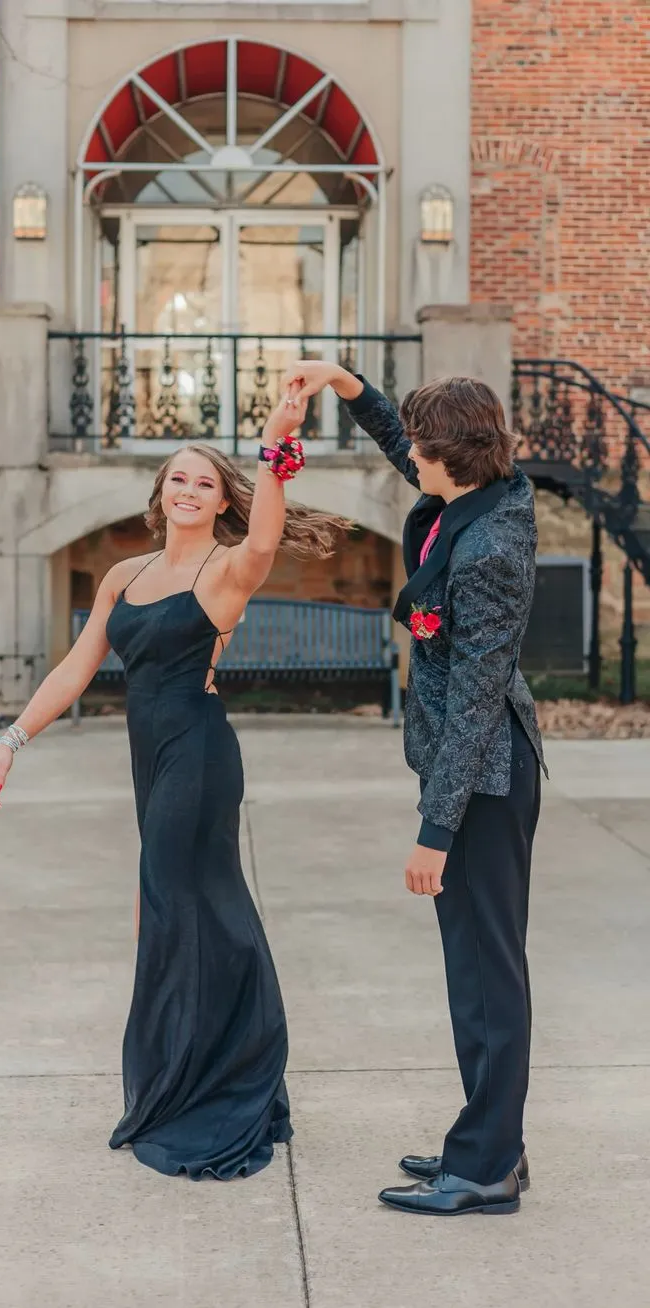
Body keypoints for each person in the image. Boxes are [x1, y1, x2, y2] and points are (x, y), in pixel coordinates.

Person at [0, 393, 346, 1181]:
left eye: (204, 483)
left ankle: (209, 1079)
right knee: (185, 905)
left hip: (199, 755)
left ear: (220, 501)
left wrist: (273, 449)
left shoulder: (226, 570)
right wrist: (14, 738)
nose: (188, 490)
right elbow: (77, 666)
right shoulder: (125, 574)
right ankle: (212, 1064)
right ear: (160, 491)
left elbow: (266, 537)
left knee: (175, 903)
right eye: (178, 478)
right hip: (150, 757)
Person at [283, 361, 547, 1217]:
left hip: (485, 779)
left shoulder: (490, 550)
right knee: (474, 970)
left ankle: (485, 1167)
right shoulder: (475, 491)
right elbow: (403, 442)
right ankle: (491, 1141)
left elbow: (475, 702)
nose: (412, 459)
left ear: (453, 457)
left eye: (423, 449)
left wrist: (435, 831)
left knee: (488, 976)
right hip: (470, 771)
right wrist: (344, 384)